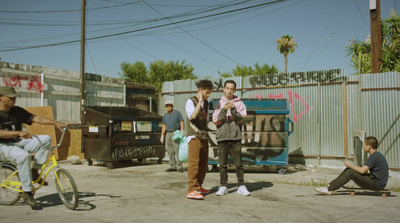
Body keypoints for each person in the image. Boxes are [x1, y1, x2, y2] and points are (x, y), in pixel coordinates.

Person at [0, 87, 69, 209]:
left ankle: (34, 171)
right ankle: (27, 193)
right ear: (1, 98)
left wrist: (55, 123)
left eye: (14, 97)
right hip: (2, 146)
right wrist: (18, 133)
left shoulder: (17, 111)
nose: (14, 99)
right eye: (10, 97)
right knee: (23, 156)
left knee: (46, 139)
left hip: (18, 142)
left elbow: (37, 118)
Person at [212, 80, 250, 196]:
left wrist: (233, 109)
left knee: (238, 163)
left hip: (235, 137)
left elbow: (241, 119)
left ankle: (241, 185)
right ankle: (223, 186)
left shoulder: (239, 103)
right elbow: (216, 120)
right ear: (223, 89)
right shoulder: (218, 104)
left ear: (235, 90)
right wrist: (224, 109)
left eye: (232, 89)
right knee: (223, 164)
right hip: (222, 137)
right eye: (227, 88)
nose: (229, 91)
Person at [314, 136, 389, 195]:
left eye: (364, 145)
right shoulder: (376, 155)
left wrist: (349, 165)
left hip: (377, 184)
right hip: (376, 181)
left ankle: (329, 189)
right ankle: (330, 187)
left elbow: (362, 170)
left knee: (350, 172)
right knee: (349, 171)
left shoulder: (374, 156)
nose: (363, 147)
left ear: (369, 146)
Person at [185, 79, 213, 200]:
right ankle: (192, 189)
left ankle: (199, 186)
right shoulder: (190, 101)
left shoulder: (206, 103)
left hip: (204, 136)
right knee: (194, 164)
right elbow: (193, 116)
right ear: (200, 91)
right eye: (206, 93)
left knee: (203, 164)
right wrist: (200, 101)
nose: (208, 95)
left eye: (209, 93)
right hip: (194, 136)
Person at [160, 100, 185, 172]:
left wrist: (182, 131)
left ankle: (180, 166)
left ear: (172, 106)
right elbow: (164, 125)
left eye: (169, 105)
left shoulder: (177, 113)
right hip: (168, 133)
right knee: (170, 150)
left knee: (177, 149)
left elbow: (181, 122)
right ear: (165, 107)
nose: (168, 107)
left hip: (175, 132)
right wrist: (162, 135)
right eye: (167, 106)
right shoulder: (165, 115)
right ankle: (172, 166)